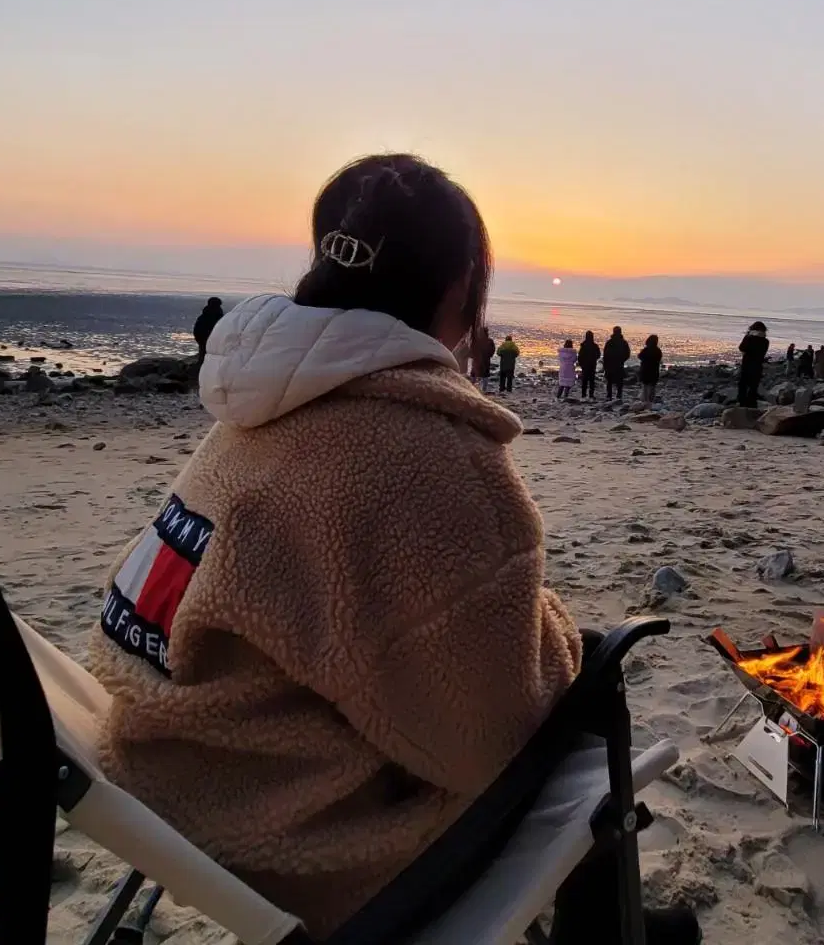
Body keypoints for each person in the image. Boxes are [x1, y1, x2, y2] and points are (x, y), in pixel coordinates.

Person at [89, 154, 699, 945]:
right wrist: (549, 629)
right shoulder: (423, 457)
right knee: (589, 681)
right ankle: (603, 934)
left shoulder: (262, 398)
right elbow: (492, 739)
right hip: (299, 832)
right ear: (459, 293)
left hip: (166, 763)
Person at [737, 320, 769, 407]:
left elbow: (741, 348)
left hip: (747, 364)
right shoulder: (766, 341)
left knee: (743, 384)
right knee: (753, 386)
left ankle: (742, 403)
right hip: (758, 365)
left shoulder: (749, 337)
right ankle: (752, 404)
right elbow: (763, 352)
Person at [192, 297, 224, 366]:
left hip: (204, 338)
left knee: (203, 355)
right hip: (207, 338)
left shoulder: (204, 315)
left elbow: (197, 330)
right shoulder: (216, 315)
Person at [602, 326, 631, 401]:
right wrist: (622, 360)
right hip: (619, 364)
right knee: (619, 381)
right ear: (620, 332)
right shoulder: (624, 342)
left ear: (613, 332)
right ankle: (619, 395)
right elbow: (627, 354)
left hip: (610, 364)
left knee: (609, 381)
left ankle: (609, 396)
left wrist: (605, 364)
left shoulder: (609, 342)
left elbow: (605, 354)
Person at [638, 334, 663, 404]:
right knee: (652, 387)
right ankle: (650, 401)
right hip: (654, 370)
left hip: (645, 370)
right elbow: (659, 359)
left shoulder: (646, 349)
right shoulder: (658, 351)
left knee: (645, 386)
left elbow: (639, 356)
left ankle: (645, 401)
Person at [471, 325, 496, 393]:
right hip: (485, 360)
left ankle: (472, 388)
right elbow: (492, 350)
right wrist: (489, 355)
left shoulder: (477, 340)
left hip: (477, 360)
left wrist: (473, 356)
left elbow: (472, 349)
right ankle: (483, 390)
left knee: (474, 374)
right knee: (485, 375)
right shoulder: (490, 341)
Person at [577, 331, 601, 400]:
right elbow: (598, 355)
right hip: (592, 365)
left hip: (585, 366)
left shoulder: (583, 346)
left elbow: (580, 356)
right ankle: (591, 395)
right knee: (591, 381)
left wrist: (581, 364)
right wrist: (594, 359)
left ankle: (583, 395)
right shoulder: (595, 346)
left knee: (584, 381)